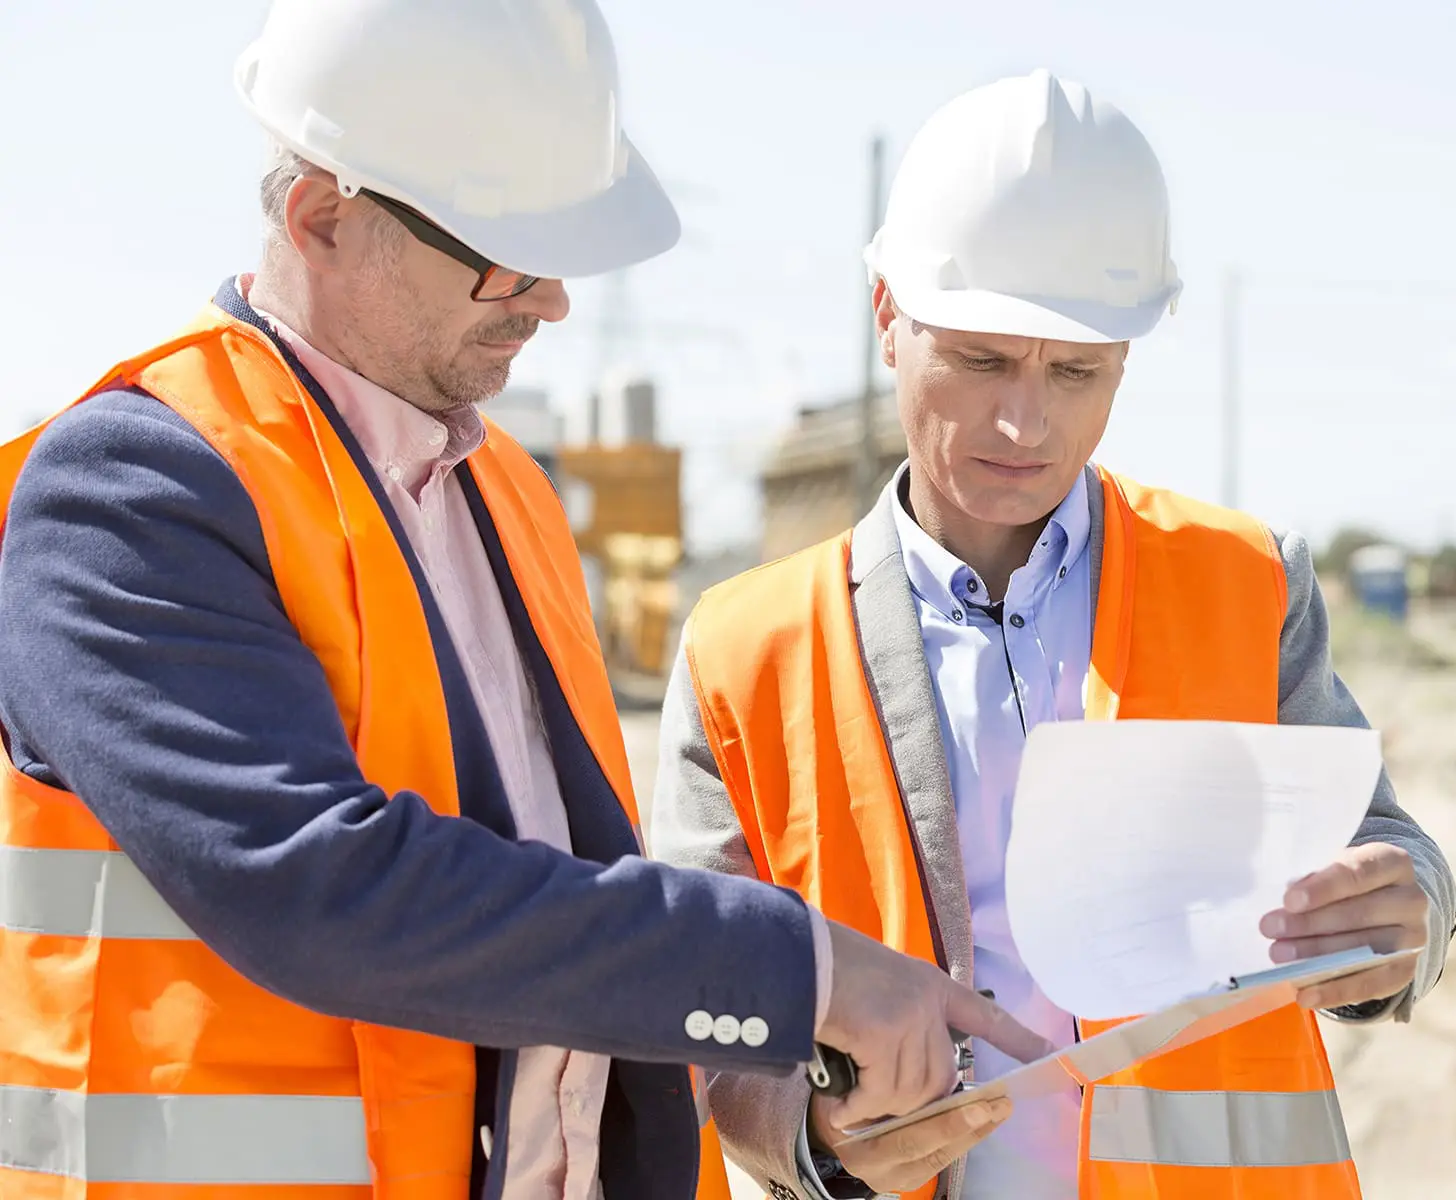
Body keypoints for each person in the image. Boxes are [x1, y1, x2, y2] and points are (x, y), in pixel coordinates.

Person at [0, 4, 1046, 1198]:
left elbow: (558, 926)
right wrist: (798, 972)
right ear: (322, 218)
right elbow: (318, 885)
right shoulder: (133, 491)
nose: (550, 303)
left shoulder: (508, 496)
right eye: (506, 255)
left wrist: (808, 1106)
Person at [651, 69, 1456, 1200]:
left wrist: (1405, 909)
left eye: (1076, 373)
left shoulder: (1245, 580)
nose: (1027, 422)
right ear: (889, 314)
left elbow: (1387, 850)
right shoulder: (743, 650)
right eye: (981, 360)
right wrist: (815, 1133)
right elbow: (688, 1003)